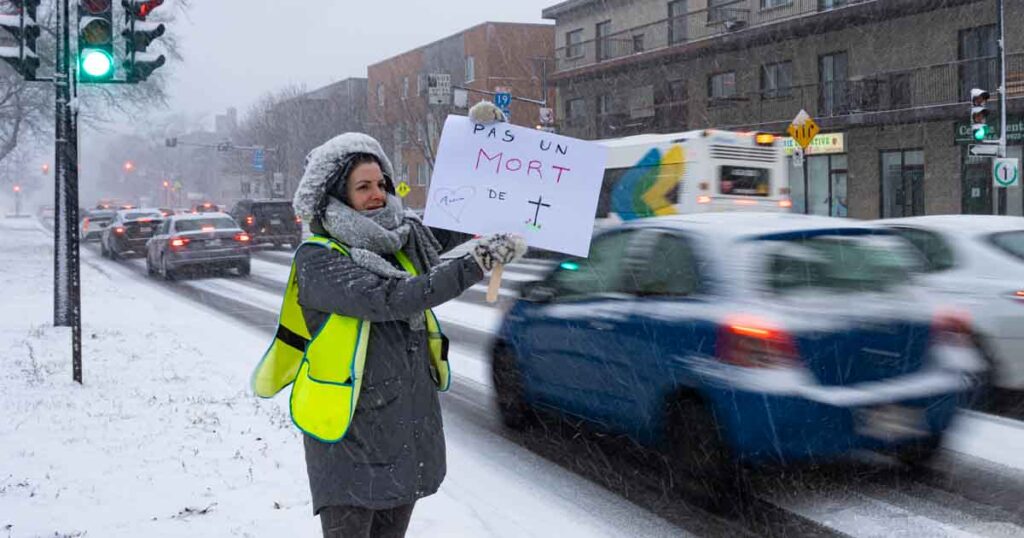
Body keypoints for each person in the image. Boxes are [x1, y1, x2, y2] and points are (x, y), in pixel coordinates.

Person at [252, 102, 526, 538]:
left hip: (403, 435)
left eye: (381, 183)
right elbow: (394, 297)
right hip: (350, 440)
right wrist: (476, 263)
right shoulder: (319, 259)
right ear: (335, 195)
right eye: (363, 187)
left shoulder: (402, 236)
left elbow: (457, 213)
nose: (378, 193)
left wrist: (484, 143)